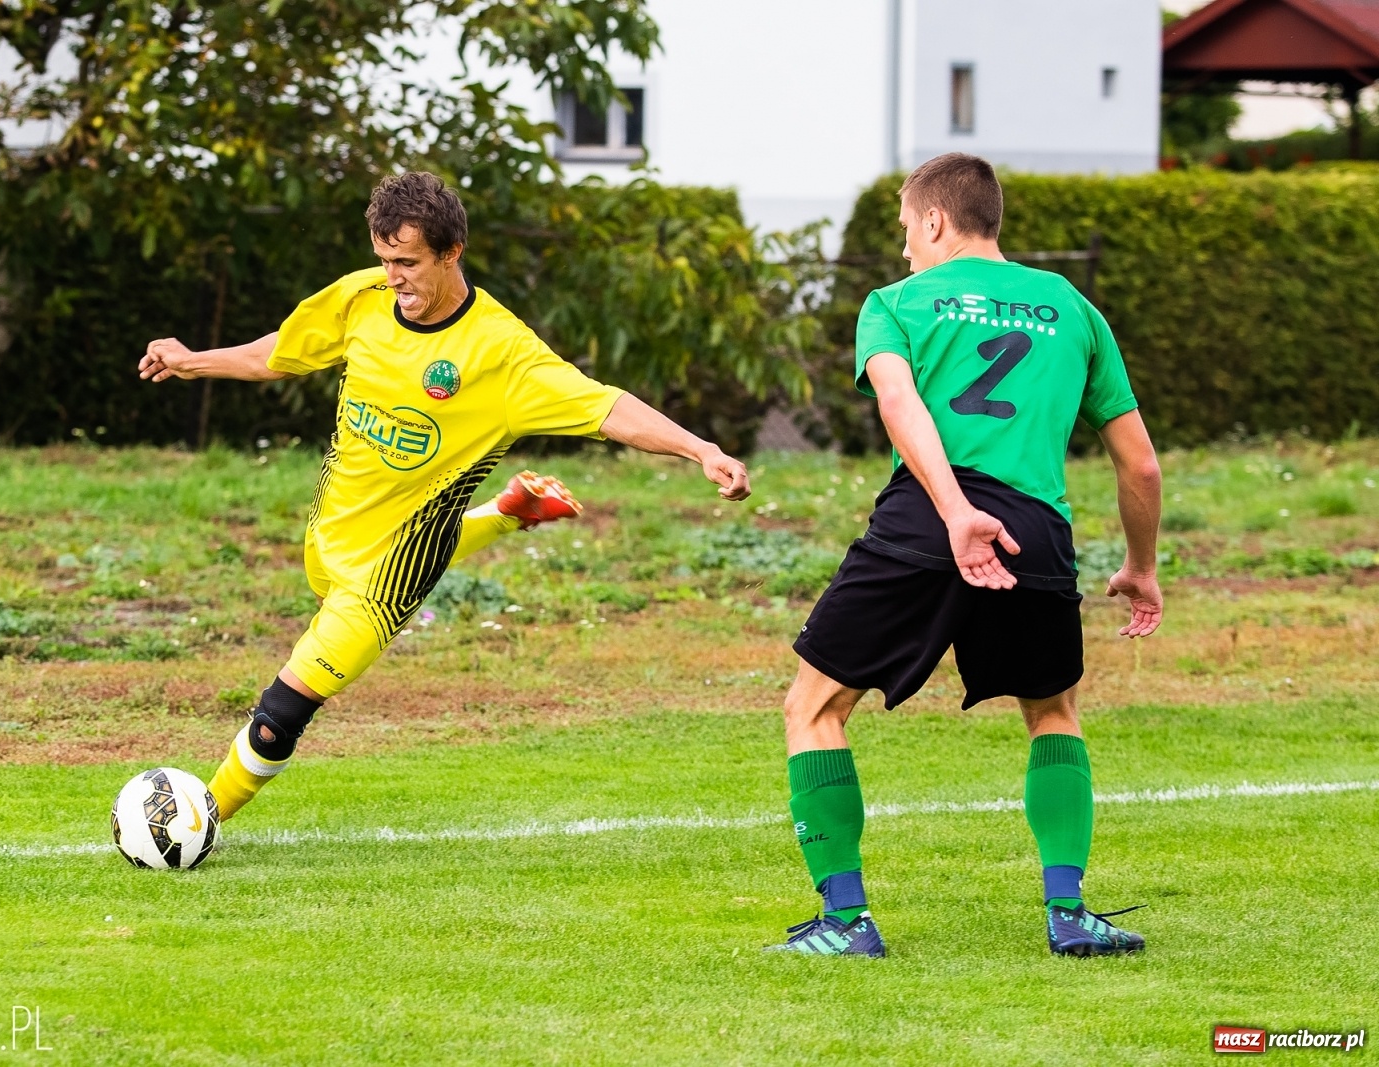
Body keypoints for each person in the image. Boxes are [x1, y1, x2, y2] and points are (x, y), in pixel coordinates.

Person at [139, 171, 750, 822]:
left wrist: (701, 449)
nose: (391, 276)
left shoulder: (503, 353)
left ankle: (195, 821)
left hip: (384, 583)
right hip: (328, 538)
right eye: (383, 260)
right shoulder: (361, 298)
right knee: (410, 540)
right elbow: (281, 354)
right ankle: (512, 511)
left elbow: (607, 408)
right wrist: (194, 359)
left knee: (281, 712)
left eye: (406, 262)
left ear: (451, 251)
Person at [770, 153, 1163, 958]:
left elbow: (897, 401)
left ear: (937, 221)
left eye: (908, 229)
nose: (907, 246)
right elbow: (1141, 463)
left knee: (813, 707)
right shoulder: (1072, 307)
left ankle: (845, 922)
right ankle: (1068, 913)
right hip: (1036, 532)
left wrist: (953, 511)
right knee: (1052, 712)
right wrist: (1141, 565)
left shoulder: (895, 302)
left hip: (927, 521)